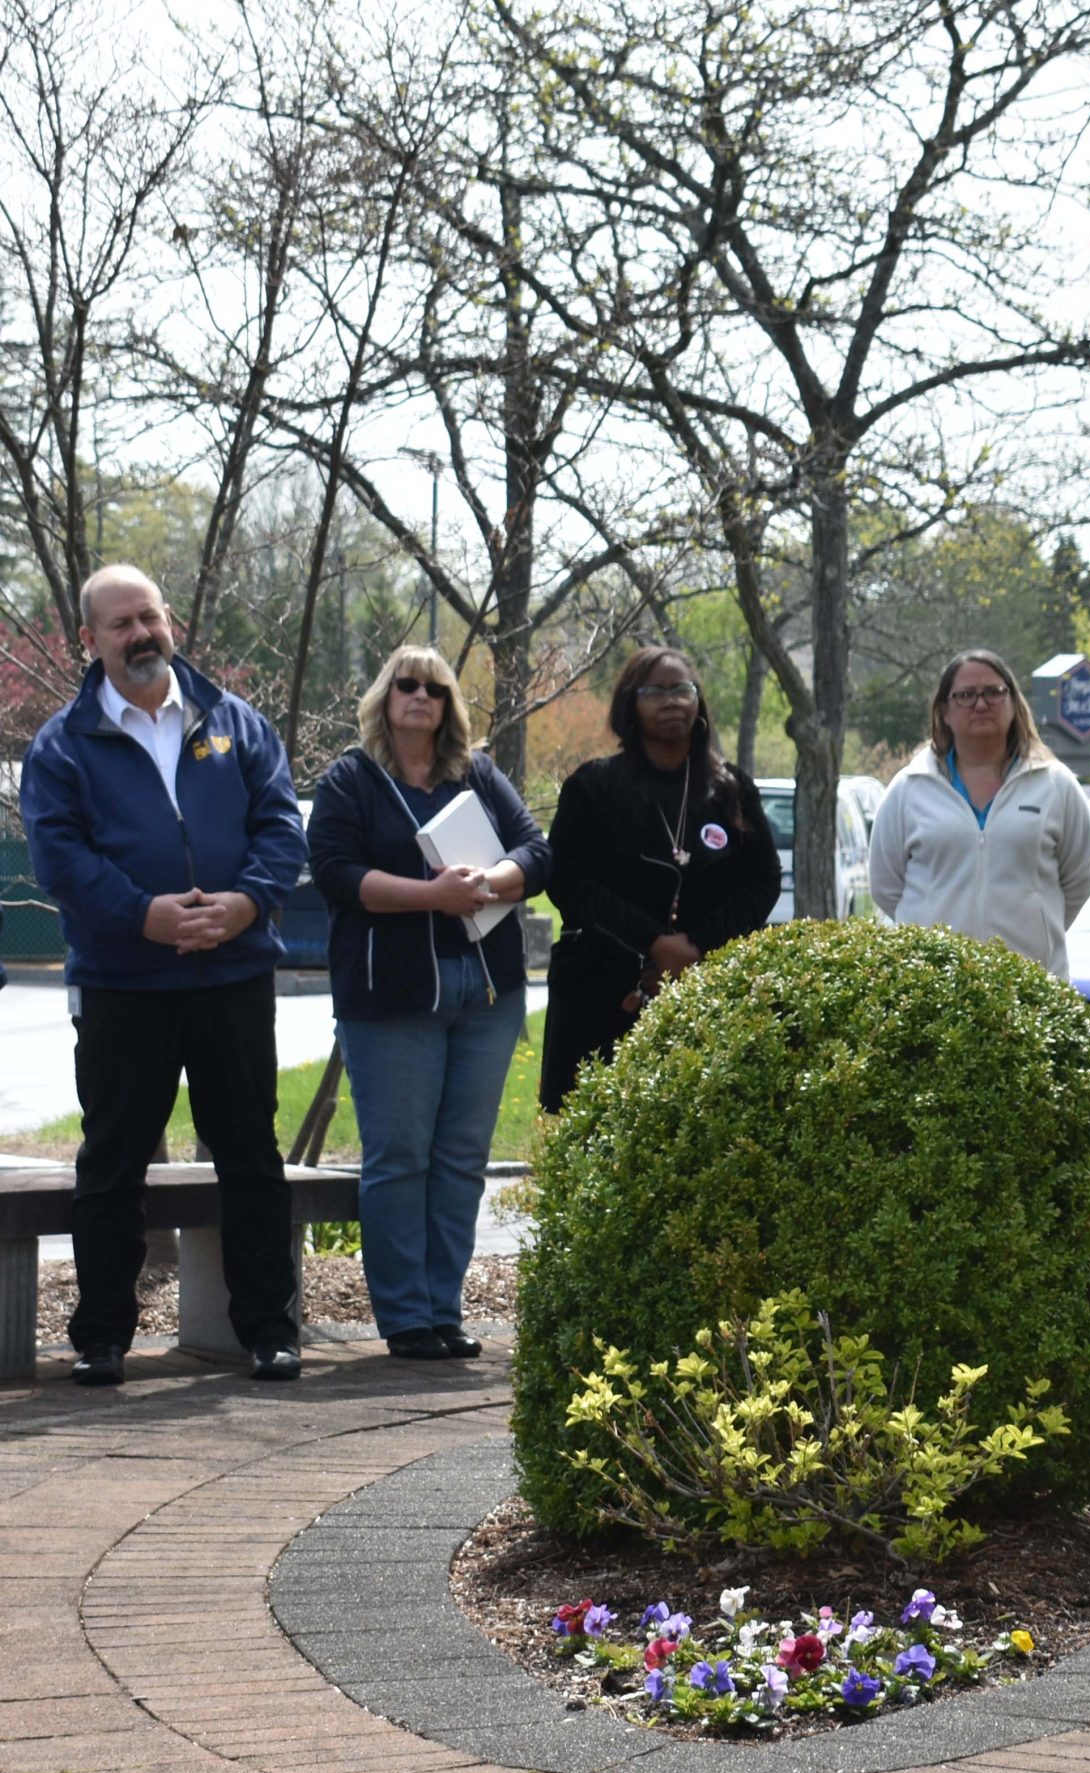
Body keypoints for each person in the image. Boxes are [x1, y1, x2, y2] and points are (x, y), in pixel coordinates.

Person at [20, 565, 309, 1384]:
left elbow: (282, 827)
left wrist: (247, 904)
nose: (139, 633)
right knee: (112, 1160)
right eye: (119, 624)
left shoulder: (236, 723)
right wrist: (143, 914)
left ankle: (268, 1330)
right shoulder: (61, 745)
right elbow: (60, 859)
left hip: (233, 976)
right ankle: (102, 1336)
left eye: (148, 617)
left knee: (251, 1152)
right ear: (90, 640)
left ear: (170, 620)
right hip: (124, 984)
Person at [305, 649, 552, 1361]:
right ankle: (406, 1317)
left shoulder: (476, 773)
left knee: (462, 1159)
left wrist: (495, 878)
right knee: (400, 1157)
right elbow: (336, 874)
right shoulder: (352, 779)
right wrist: (431, 896)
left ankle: (445, 1308)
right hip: (393, 998)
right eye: (406, 685)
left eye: (435, 688)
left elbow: (536, 851)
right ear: (384, 696)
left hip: (487, 995)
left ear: (448, 705)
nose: (420, 696)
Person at [539, 647, 779, 1111]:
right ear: (630, 703)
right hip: (600, 992)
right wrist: (653, 942)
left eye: (682, 689)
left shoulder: (730, 789)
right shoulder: (594, 786)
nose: (672, 702)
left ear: (699, 701)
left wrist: (695, 946)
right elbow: (567, 879)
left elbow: (764, 879)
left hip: (705, 988)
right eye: (656, 692)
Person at [868, 649, 1090, 976]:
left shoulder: (1055, 785)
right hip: (934, 987)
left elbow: (1078, 881)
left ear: (1014, 703)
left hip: (1031, 984)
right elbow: (886, 886)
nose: (980, 704)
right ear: (944, 711)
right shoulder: (908, 788)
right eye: (965, 695)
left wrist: (1037, 930)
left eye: (993, 692)